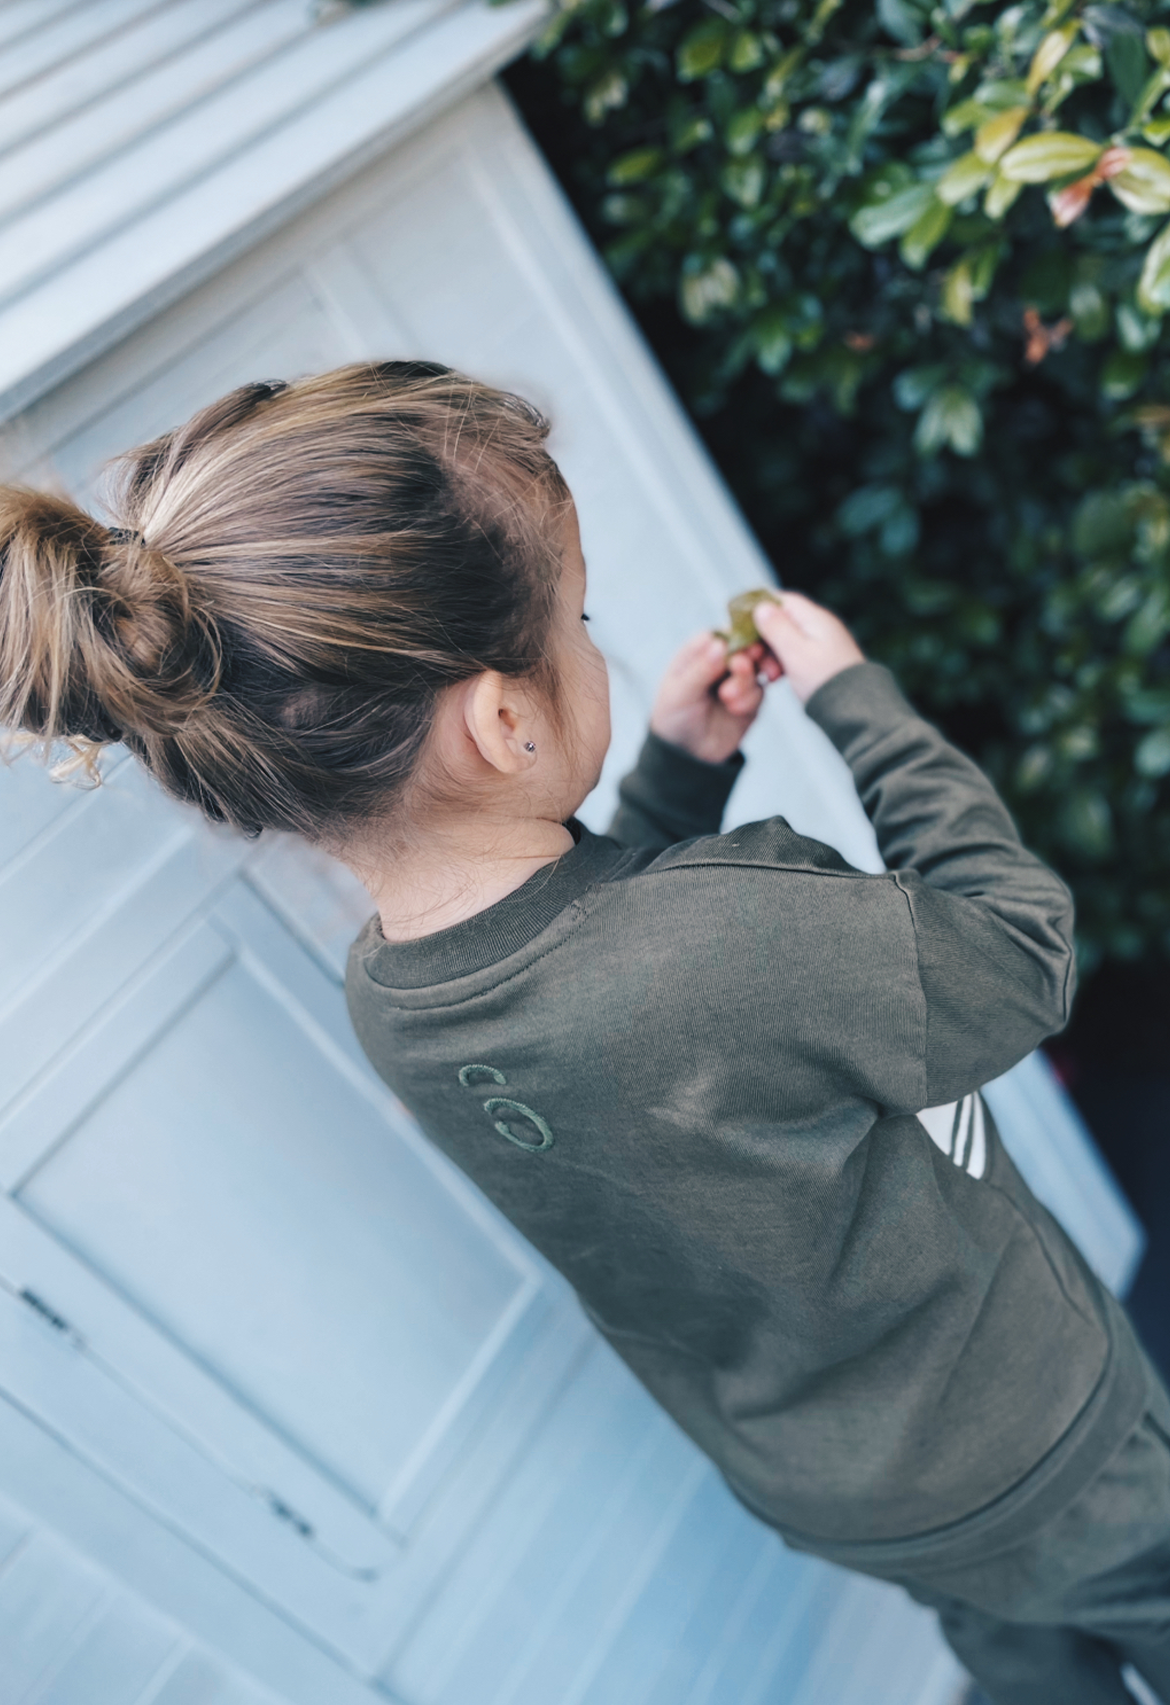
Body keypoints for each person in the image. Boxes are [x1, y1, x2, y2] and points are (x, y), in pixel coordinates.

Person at [1, 361, 1167, 1704]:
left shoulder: (394, 1000)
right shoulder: (733, 935)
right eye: (581, 616)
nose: (593, 638)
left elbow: (626, 1000)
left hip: (844, 1489)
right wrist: (862, 707)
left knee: (1023, 1670)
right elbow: (1016, 957)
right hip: (1043, 1437)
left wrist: (676, 775)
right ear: (501, 720)